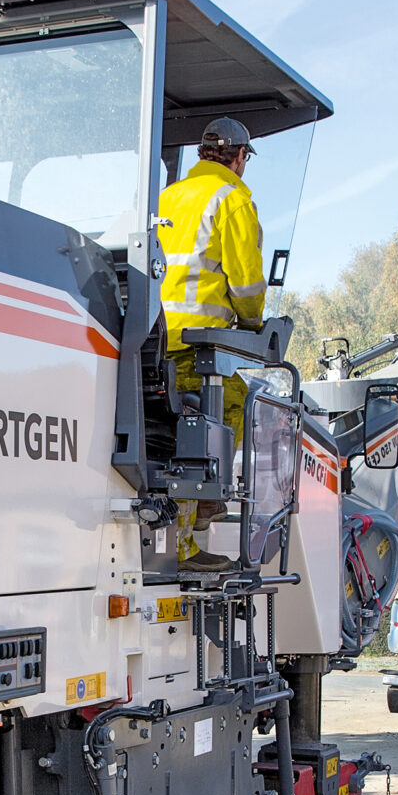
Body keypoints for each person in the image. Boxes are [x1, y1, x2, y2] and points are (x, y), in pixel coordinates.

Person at [157, 117, 266, 566]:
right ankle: (201, 513)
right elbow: (246, 285)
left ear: (203, 155)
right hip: (197, 347)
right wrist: (254, 321)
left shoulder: (168, 197)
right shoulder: (233, 200)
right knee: (234, 405)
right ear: (239, 157)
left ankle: (191, 520)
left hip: (155, 340)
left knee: (173, 429)